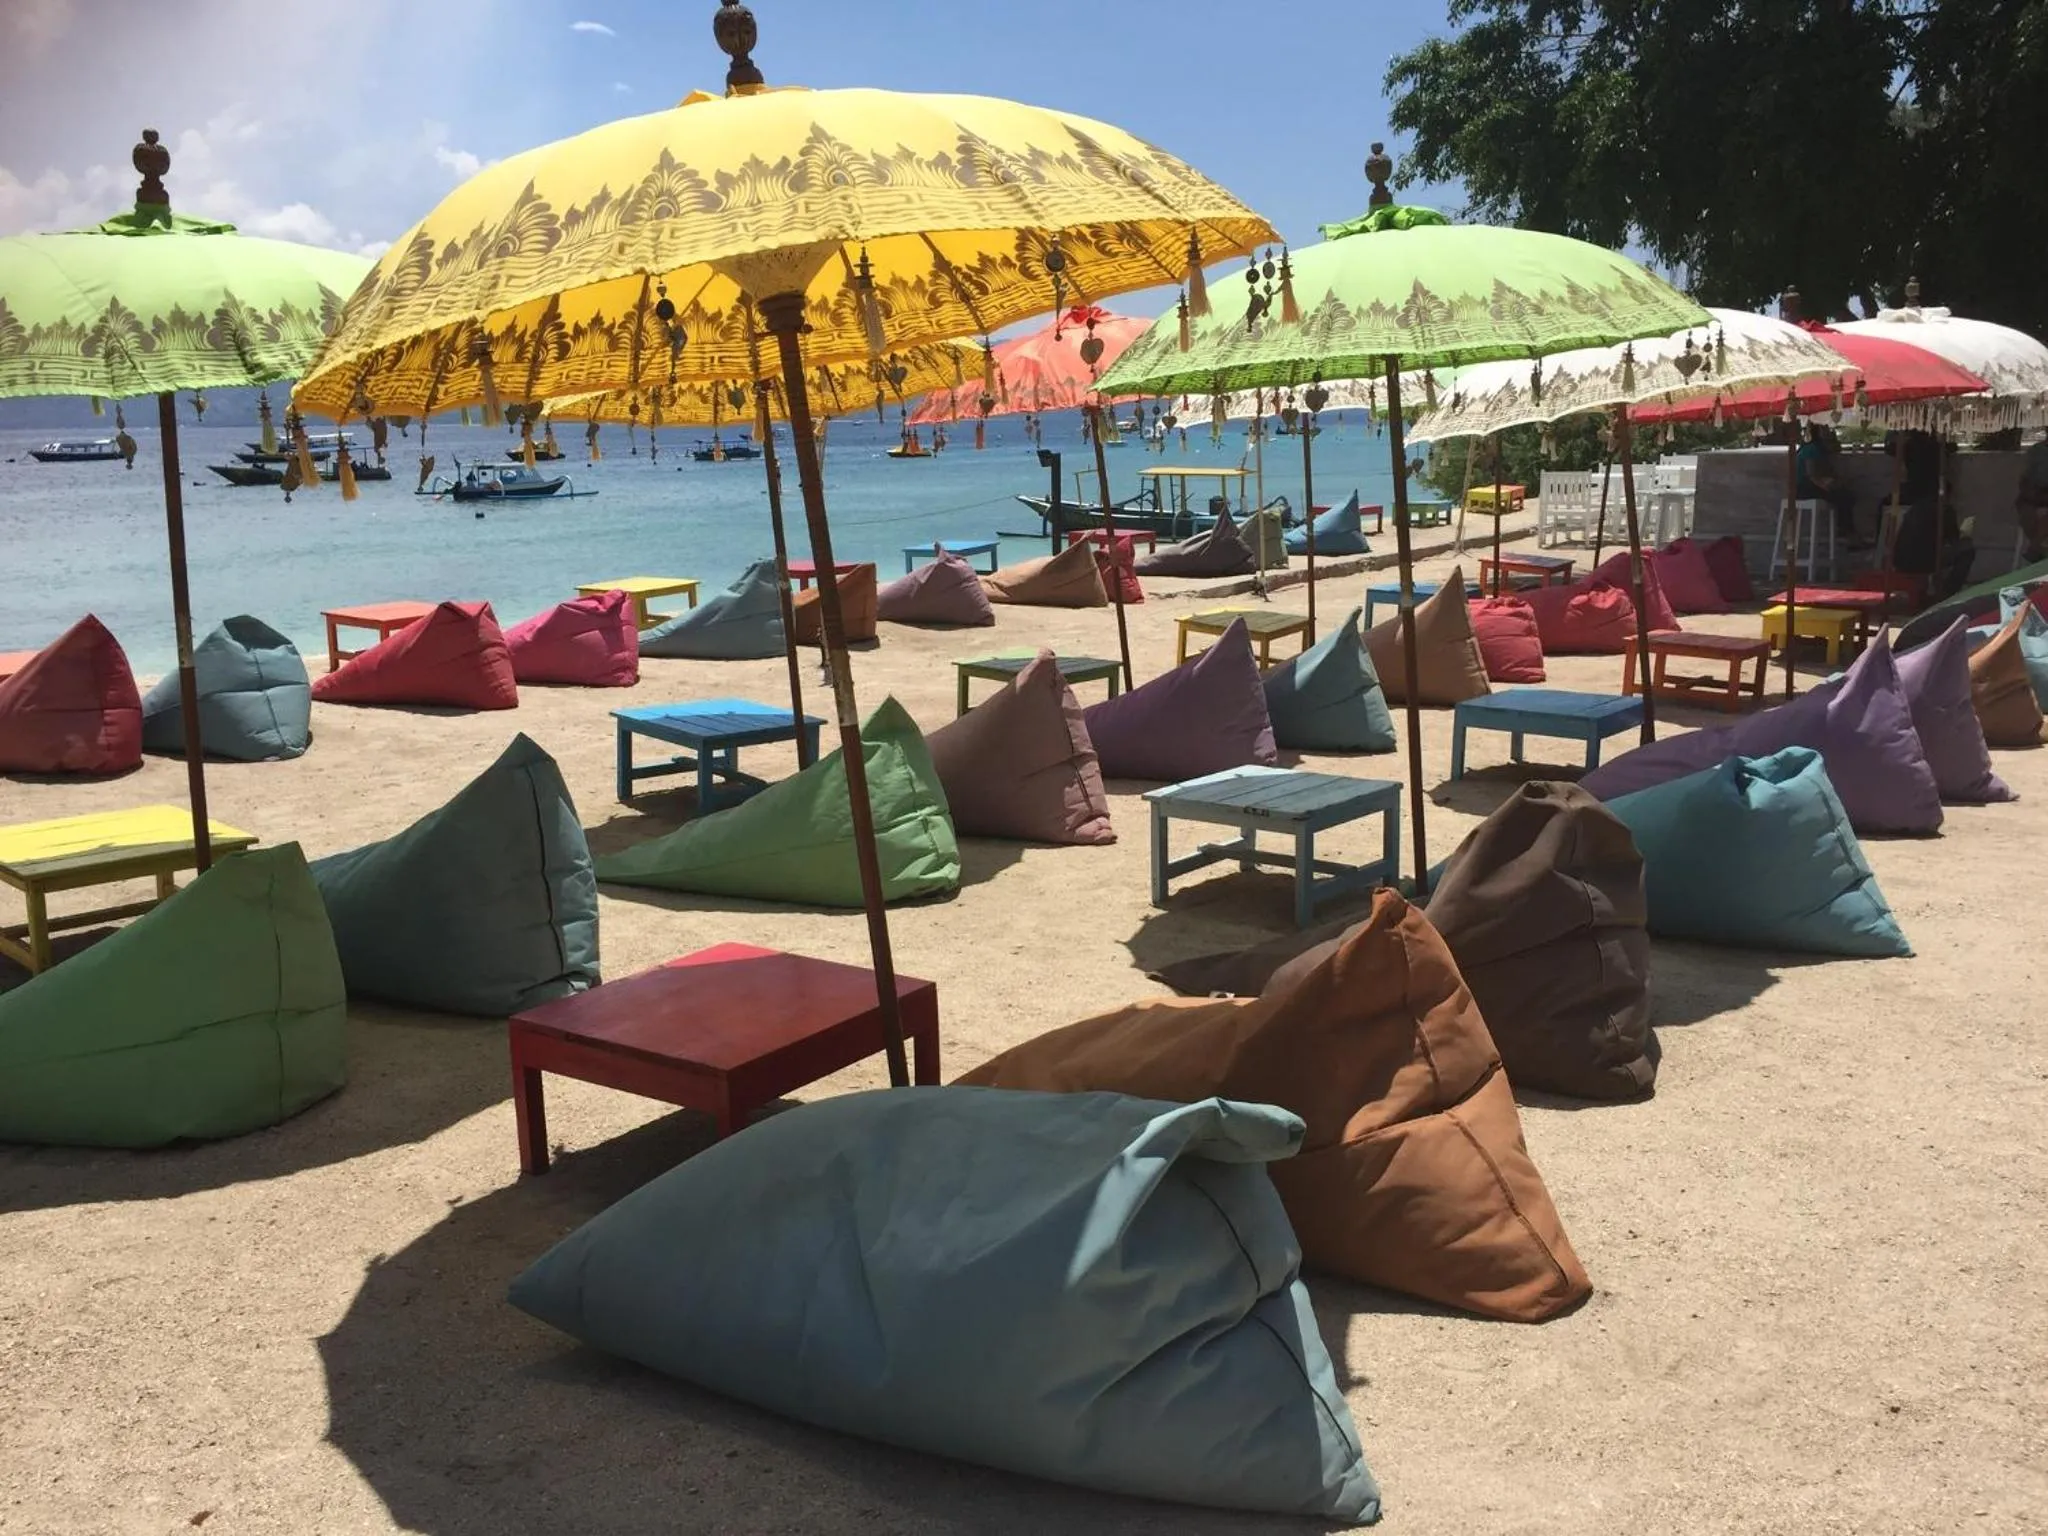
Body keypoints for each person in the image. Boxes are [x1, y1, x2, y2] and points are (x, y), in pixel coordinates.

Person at [1890, 430, 1973, 597]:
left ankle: (1934, 588)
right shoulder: (1944, 509)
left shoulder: (1916, 509)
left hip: (1900, 559)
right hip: (1924, 560)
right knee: (1966, 551)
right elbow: (1953, 539)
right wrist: (1965, 535)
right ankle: (1946, 594)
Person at [1796, 422, 1863, 547]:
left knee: (1845, 495)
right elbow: (1812, 475)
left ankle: (1846, 530)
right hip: (1805, 489)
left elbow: (1835, 450)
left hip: (1806, 487)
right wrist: (1827, 487)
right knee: (1845, 497)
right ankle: (1848, 534)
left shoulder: (1817, 449)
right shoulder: (1812, 449)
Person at [2014, 430, 2048, 563]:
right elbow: (2025, 479)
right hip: (2035, 495)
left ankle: (2035, 549)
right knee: (2028, 512)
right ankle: (2038, 549)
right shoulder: (2036, 451)